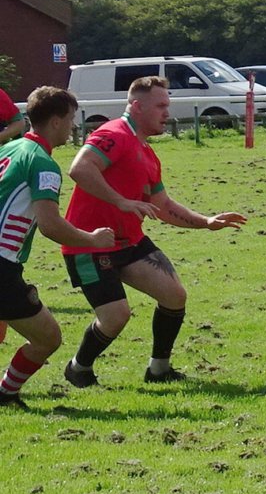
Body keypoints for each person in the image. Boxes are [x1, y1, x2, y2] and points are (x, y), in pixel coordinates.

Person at [59, 76, 248, 388]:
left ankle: (159, 370)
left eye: (167, 106)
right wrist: (121, 201)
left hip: (128, 242)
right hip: (90, 244)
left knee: (174, 295)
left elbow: (161, 205)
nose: (167, 113)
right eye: (160, 106)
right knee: (117, 317)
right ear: (136, 106)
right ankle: (79, 368)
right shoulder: (114, 133)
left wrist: (207, 221)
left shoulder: (147, 153)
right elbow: (80, 168)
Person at [0, 88, 119, 409]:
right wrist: (92, 239)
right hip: (1, 267)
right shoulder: (43, 165)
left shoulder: (10, 147)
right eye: (70, 120)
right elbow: (51, 225)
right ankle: (6, 393)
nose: (74, 127)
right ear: (55, 122)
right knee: (48, 338)